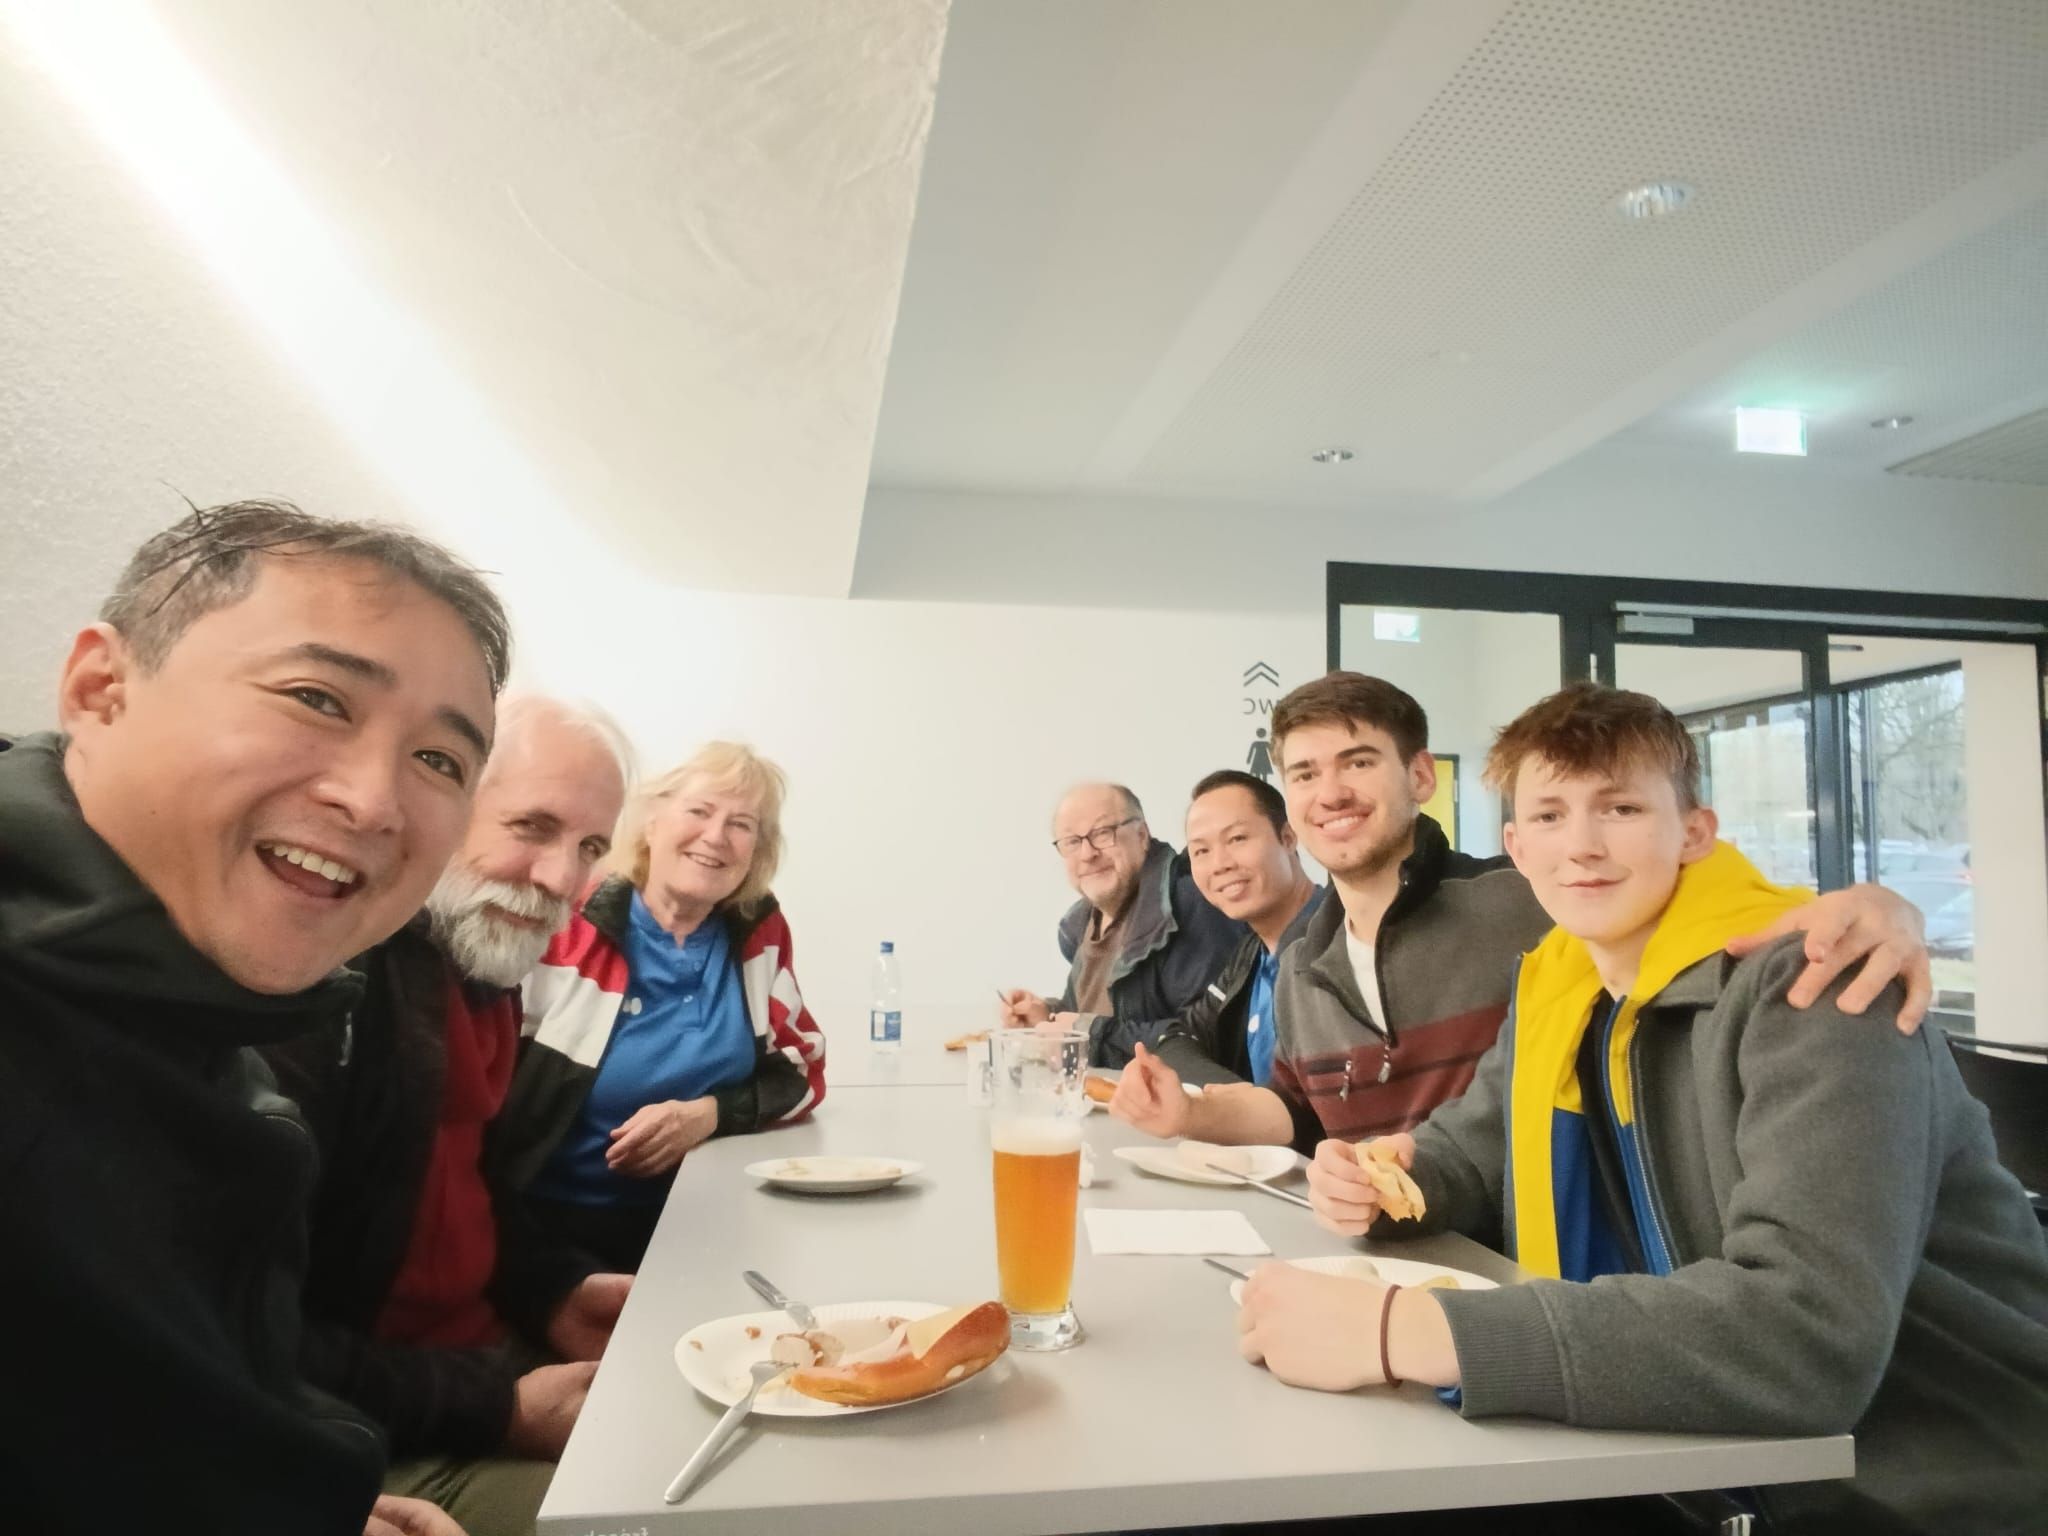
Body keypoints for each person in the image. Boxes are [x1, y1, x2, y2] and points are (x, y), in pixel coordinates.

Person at [1260, 682, 2048, 1534]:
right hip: (1683, 1458)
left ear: (1695, 832)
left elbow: (1807, 1335)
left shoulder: (1816, 986)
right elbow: (1465, 1155)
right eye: (1550, 816)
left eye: (1622, 808)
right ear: (1517, 847)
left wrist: (1409, 1333)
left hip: (1909, 1492)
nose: (1583, 846)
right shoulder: (1562, 986)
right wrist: (1388, 1180)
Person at [0, 499, 509, 1536]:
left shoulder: (212, 1033)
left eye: (440, 762)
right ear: (101, 688)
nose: (375, 802)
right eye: (317, 698)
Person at [1113, 671, 1931, 1151]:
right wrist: (1190, 1111)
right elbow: (1299, 1113)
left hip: (1541, 1275)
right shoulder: (1302, 964)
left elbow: (1690, 902)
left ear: (1421, 777)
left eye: (1357, 763)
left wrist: (1877, 906)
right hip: (1393, 1264)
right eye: (1305, 773)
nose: (1330, 792)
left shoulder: (1529, 902)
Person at [262, 696, 637, 1536]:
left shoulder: (483, 974)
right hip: (374, 1424)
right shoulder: (327, 989)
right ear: (443, 805)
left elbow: (478, 1194)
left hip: (481, 1360)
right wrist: (498, 1408)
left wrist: (555, 1293)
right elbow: (243, 1335)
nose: (562, 881)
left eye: (590, 848)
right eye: (532, 827)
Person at [497, 741, 827, 1271]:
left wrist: (708, 1114)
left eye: (741, 824)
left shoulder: (757, 931)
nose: (716, 836)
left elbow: (801, 1071)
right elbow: (483, 1103)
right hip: (557, 1234)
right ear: (651, 822)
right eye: (699, 811)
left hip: (717, 1219)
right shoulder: (566, 925)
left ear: (757, 851)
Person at [999, 781, 1243, 1067]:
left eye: (1103, 833)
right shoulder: (1080, 924)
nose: (1087, 854)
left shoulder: (1188, 905)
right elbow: (1098, 1017)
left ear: (1142, 835)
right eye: (1072, 842)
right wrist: (1048, 1017)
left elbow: (1205, 1039)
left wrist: (1085, 1034)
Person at [1112, 769, 1322, 1095]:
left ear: (1288, 837)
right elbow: (1182, 1036)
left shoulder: (1339, 942)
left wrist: (1245, 1110)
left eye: (1237, 839)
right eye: (1201, 851)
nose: (1220, 864)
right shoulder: (1250, 956)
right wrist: (1241, 1105)